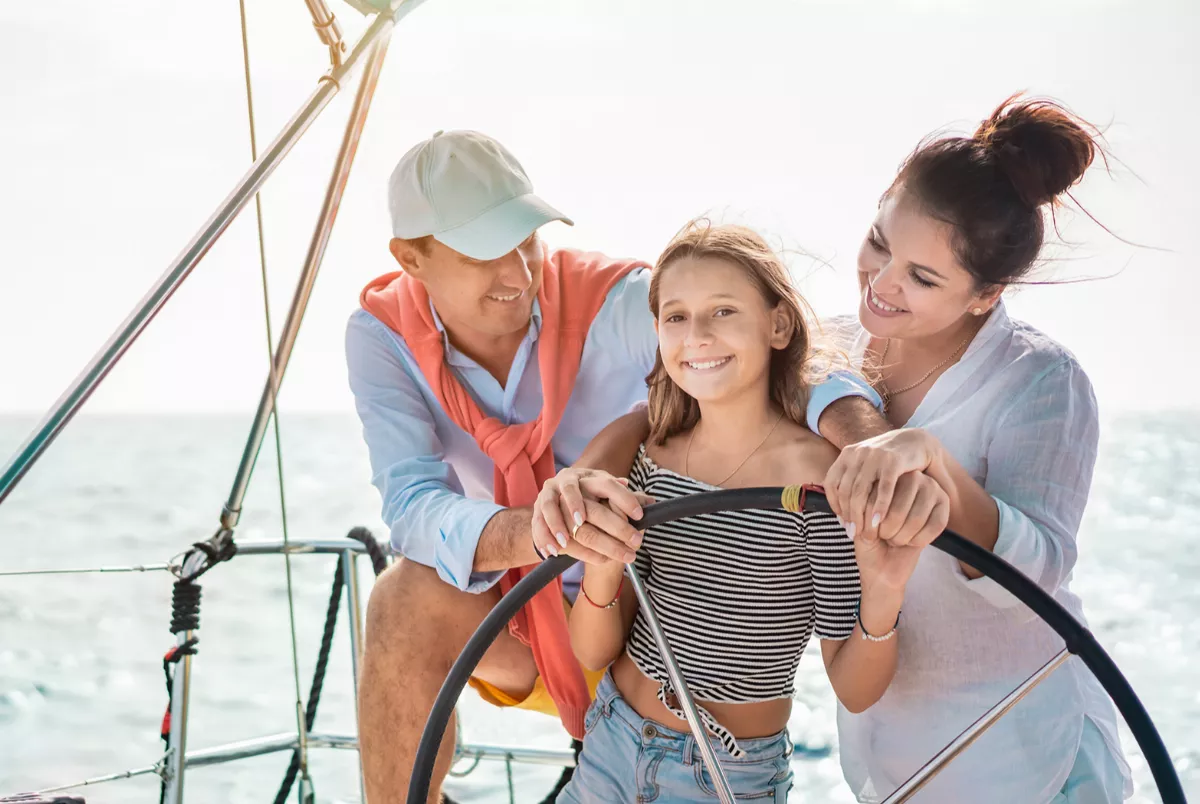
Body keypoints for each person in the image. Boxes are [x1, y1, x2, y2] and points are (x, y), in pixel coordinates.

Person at [540, 95, 1132, 803]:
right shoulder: (833, 346)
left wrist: (928, 461)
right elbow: (693, 407)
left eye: (923, 277)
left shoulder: (1043, 382)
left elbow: (1040, 572)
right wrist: (580, 478)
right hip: (885, 756)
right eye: (880, 242)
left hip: (1018, 746)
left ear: (986, 294)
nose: (882, 285)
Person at [345, 129, 886, 803]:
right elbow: (412, 508)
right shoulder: (380, 336)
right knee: (401, 597)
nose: (517, 273)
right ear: (410, 259)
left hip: (643, 615)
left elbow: (781, 362)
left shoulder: (622, 298)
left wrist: (867, 448)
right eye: (484, 254)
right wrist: (551, 530)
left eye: (526, 240)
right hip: (525, 623)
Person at [535, 221, 947, 803]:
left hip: (726, 778)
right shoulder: (652, 454)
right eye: (676, 316)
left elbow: (854, 689)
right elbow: (594, 652)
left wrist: (884, 588)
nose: (696, 334)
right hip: (611, 742)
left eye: (723, 311)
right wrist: (604, 568)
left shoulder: (821, 484)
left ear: (777, 325)